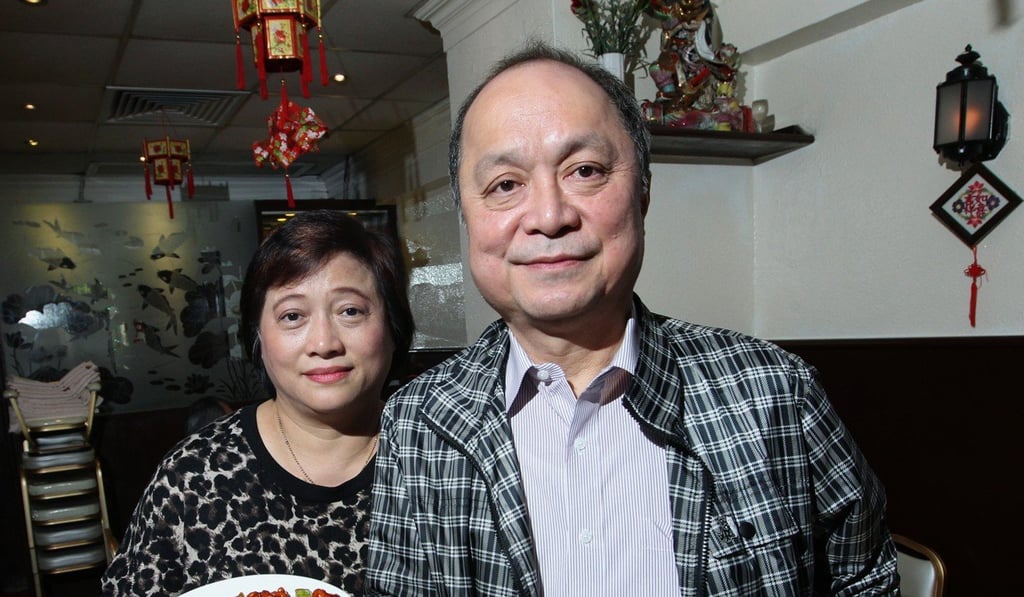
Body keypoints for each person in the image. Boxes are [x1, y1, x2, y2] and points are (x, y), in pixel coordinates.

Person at [366, 42, 898, 596]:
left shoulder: (773, 395)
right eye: (505, 184)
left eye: (586, 170)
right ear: (467, 217)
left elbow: (866, 581)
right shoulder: (420, 424)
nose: (549, 216)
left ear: (642, 191)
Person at [102, 210, 414, 596]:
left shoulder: (436, 464)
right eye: (292, 316)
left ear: (393, 328)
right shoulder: (193, 475)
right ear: (258, 338)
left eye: (350, 310)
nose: (323, 343)